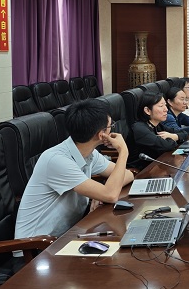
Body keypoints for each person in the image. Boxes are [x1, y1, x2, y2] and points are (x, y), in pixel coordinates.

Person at [15, 99, 134, 238]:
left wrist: (100, 192)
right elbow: (111, 195)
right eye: (110, 126)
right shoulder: (57, 160)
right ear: (101, 134)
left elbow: (128, 175)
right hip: (37, 244)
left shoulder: (89, 153)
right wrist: (123, 151)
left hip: (70, 233)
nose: (112, 129)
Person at [130, 91, 181, 166]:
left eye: (165, 105)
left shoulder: (157, 125)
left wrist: (175, 136)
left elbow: (182, 132)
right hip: (141, 170)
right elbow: (166, 146)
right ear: (147, 110)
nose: (166, 109)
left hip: (156, 164)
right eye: (161, 106)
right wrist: (174, 138)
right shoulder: (139, 129)